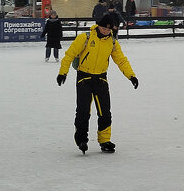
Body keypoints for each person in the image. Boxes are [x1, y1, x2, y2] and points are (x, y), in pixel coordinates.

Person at [55, 13, 138, 154]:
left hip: (101, 78)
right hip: (84, 78)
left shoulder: (112, 42)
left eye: (109, 30)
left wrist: (131, 76)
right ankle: (81, 139)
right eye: (104, 29)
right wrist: (63, 73)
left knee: (105, 111)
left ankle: (104, 140)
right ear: (98, 26)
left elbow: (121, 60)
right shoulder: (85, 37)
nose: (106, 31)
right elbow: (69, 55)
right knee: (83, 111)